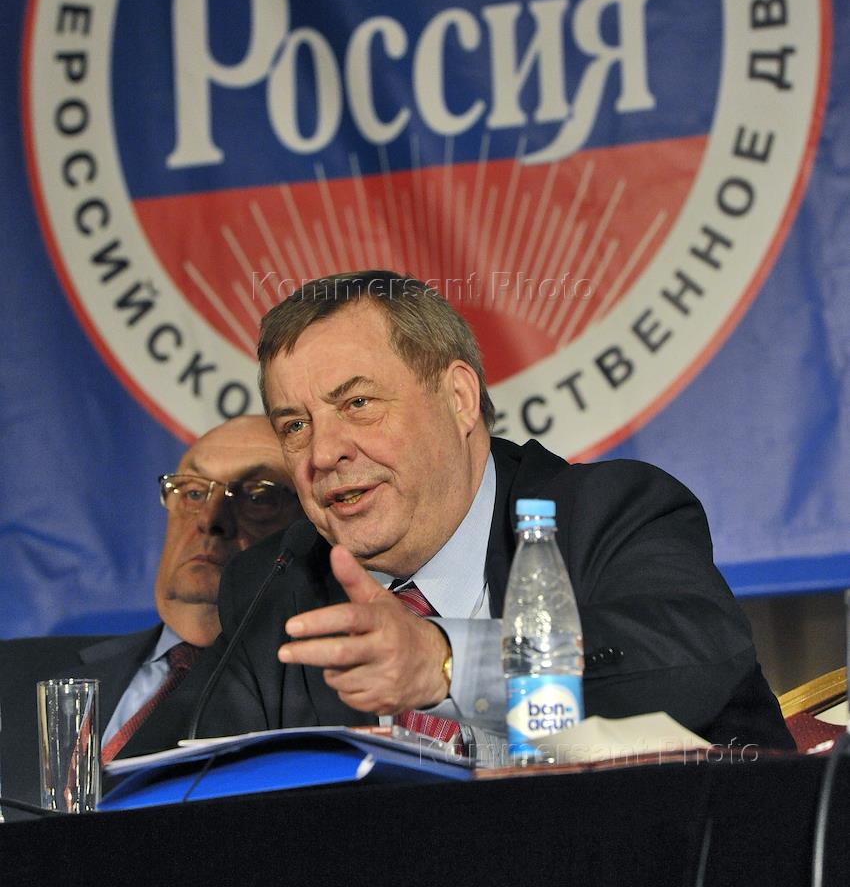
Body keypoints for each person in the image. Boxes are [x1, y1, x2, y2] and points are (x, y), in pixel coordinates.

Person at [133, 271, 793, 756]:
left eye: (358, 404)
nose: (324, 453)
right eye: (295, 425)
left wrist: (448, 663)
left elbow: (695, 655)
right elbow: (177, 785)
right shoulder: (276, 581)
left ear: (458, 398)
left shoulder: (608, 512)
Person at [0, 415, 301, 817]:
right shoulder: (11, 672)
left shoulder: (314, 704)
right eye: (193, 492)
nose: (210, 519)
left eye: (257, 496)